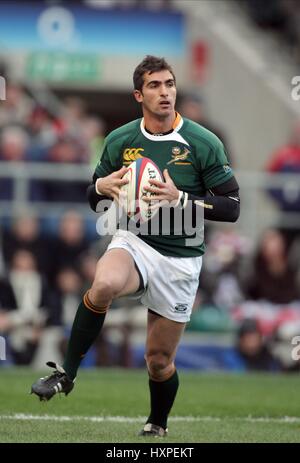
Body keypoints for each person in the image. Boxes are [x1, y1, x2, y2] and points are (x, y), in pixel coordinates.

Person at [30, 55, 240, 437]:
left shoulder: (203, 142)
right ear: (138, 94)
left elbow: (233, 207)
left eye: (170, 84)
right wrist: (99, 187)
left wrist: (182, 199)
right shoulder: (121, 140)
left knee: (158, 362)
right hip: (134, 240)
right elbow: (95, 194)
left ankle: (157, 424)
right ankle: (67, 374)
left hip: (181, 256)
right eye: (156, 86)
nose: (165, 92)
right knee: (104, 284)